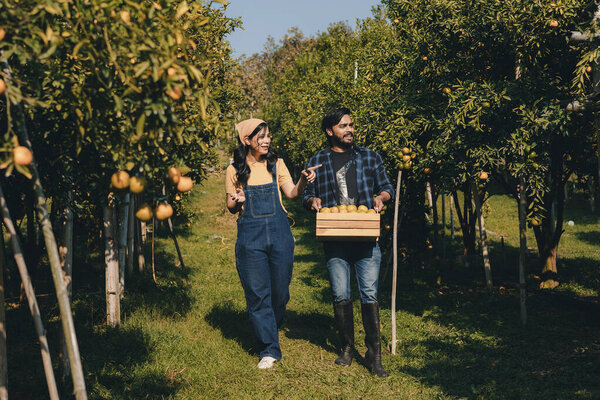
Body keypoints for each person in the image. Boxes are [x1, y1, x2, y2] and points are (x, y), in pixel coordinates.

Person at [303, 108, 394, 377]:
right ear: (330, 131)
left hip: (366, 235)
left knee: (369, 293)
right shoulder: (318, 159)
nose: (350, 130)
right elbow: (306, 193)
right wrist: (312, 201)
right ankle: (345, 348)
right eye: (343, 126)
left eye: (351, 125)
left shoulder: (369, 156)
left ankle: (373, 354)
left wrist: (382, 198)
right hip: (335, 235)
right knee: (340, 293)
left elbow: (387, 186)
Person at [226, 118, 321, 369]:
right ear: (247, 140)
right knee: (258, 294)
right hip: (250, 238)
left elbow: (291, 193)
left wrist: (303, 180)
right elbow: (230, 205)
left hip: (280, 235)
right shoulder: (234, 169)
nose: (267, 140)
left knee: (280, 292)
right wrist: (237, 199)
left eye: (268, 135)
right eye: (261, 136)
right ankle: (269, 348)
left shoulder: (276, 164)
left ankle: (271, 324)